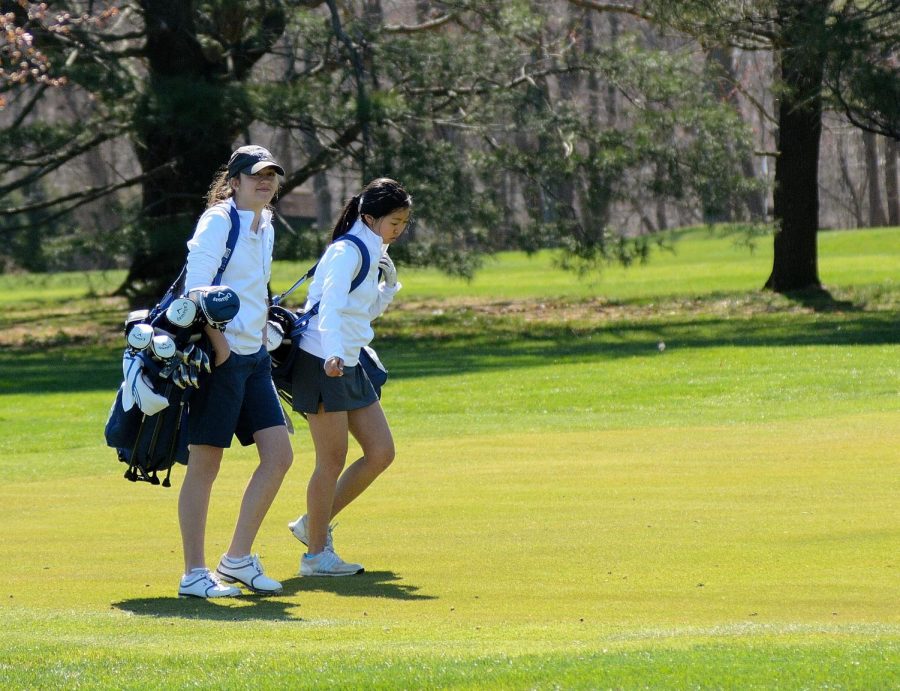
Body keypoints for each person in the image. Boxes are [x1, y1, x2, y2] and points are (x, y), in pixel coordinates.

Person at [177, 145, 294, 598]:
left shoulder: (264, 224)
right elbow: (196, 291)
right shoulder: (218, 221)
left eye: (271, 176)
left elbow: (252, 287)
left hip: (254, 358)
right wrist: (221, 347)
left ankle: (238, 559)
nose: (264, 182)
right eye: (255, 175)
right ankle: (193, 574)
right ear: (235, 181)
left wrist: (264, 325)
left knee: (279, 456)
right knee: (206, 464)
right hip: (219, 357)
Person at [287, 177, 411, 576]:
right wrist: (335, 352)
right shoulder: (346, 251)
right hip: (324, 358)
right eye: (395, 222)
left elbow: (363, 312)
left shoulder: (373, 251)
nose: (400, 230)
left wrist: (388, 288)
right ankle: (315, 557)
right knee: (332, 459)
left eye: (405, 223)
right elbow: (330, 307)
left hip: (348, 359)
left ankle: (312, 525)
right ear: (369, 217)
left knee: (381, 452)